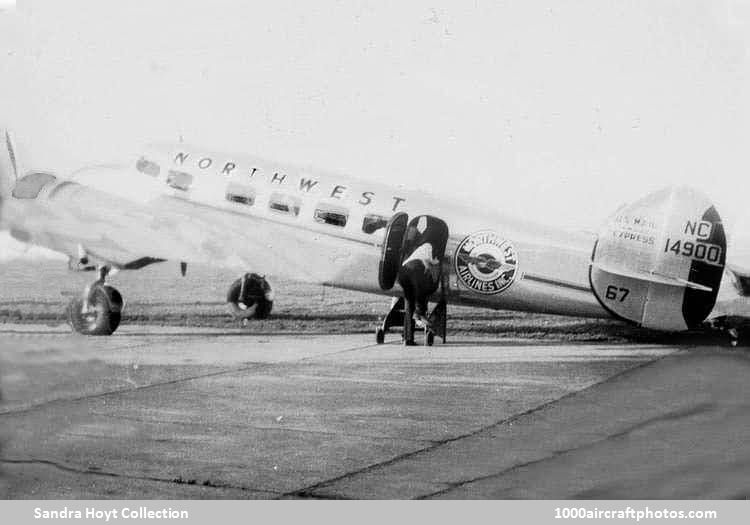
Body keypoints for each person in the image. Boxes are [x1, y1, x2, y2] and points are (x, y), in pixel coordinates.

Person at [396, 216, 448, 345]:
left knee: (409, 302)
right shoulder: (429, 245)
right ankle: (419, 316)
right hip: (414, 272)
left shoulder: (419, 244)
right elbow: (428, 261)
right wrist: (437, 264)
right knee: (422, 293)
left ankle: (408, 338)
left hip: (403, 273)